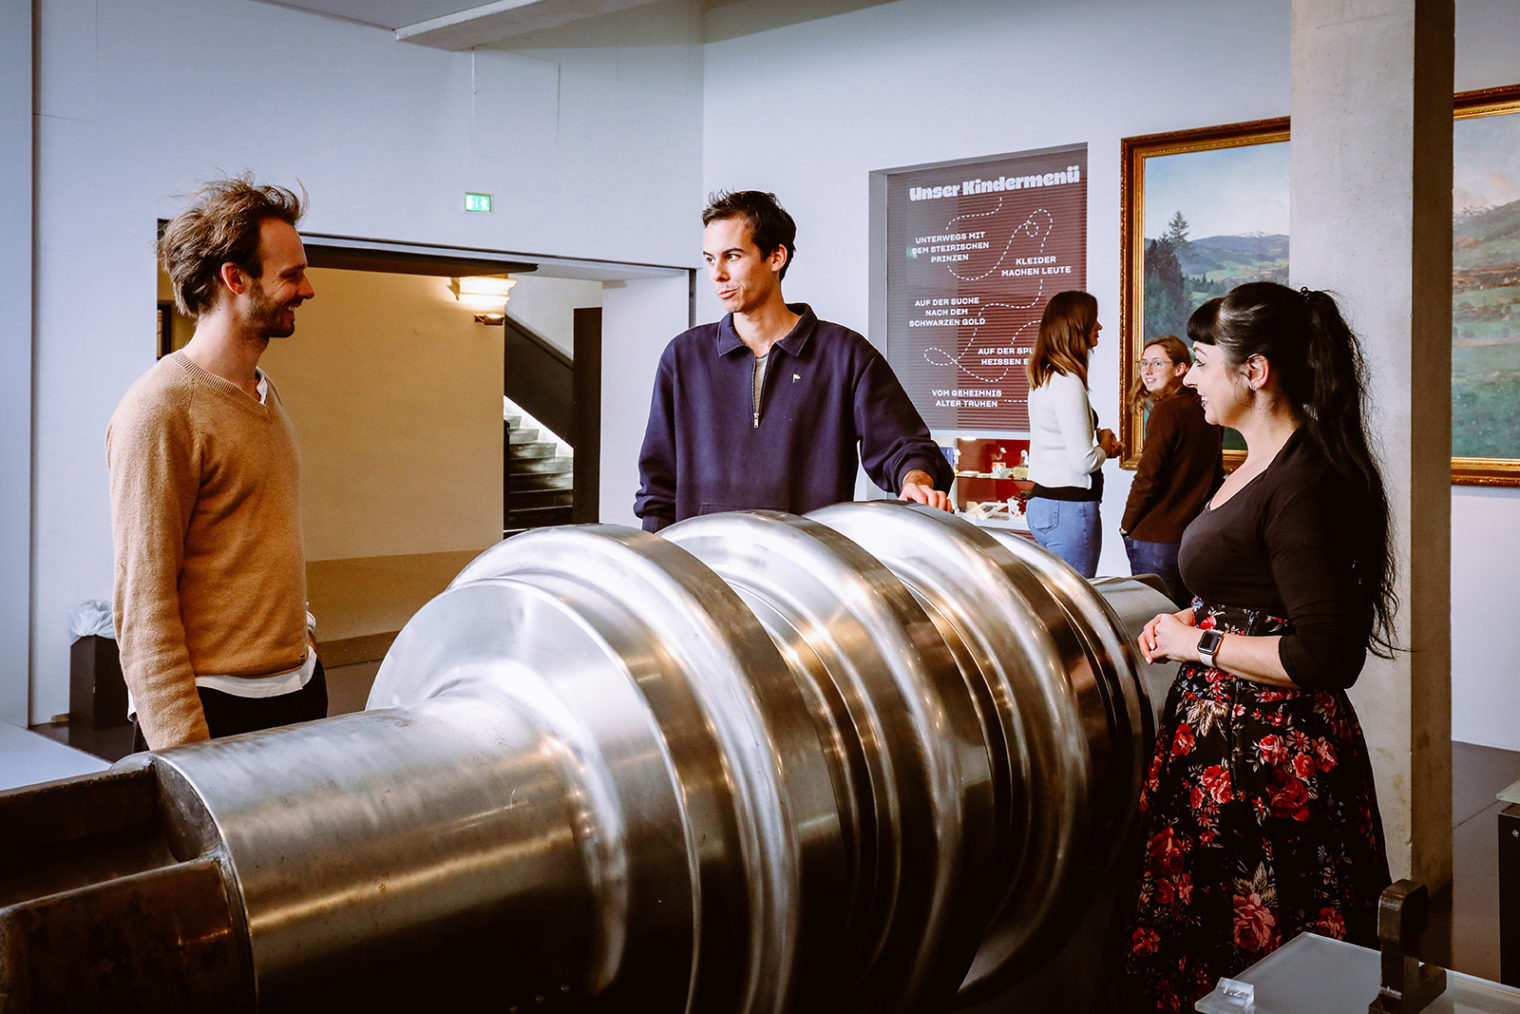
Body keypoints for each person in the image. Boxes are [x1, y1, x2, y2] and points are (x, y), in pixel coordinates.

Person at [1114, 282, 1395, 1011]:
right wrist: (1186, 627)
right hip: (1226, 754)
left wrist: (1198, 642)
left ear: (1255, 372)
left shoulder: (1306, 481)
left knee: (1269, 967)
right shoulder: (1259, 461)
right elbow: (1252, 596)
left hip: (1269, 770)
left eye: (1203, 362)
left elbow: (1326, 656)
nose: (1192, 377)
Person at [107, 176, 325, 751]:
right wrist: (184, 753)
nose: (307, 289)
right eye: (291, 274)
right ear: (235, 278)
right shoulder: (159, 410)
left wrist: (301, 637)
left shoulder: (263, 393)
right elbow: (142, 604)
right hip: (215, 713)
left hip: (296, 692)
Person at [635, 190, 953, 530]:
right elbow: (658, 487)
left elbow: (903, 446)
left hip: (806, 570)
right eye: (711, 259)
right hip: (704, 568)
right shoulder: (684, 357)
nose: (717, 274)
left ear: (776, 257)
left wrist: (915, 480)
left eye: (732, 256)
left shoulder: (844, 354)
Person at [1119, 333, 1222, 606]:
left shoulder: (1166, 411)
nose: (1147, 371)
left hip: (1154, 537)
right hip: (1190, 536)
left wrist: (1126, 525)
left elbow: (1148, 476)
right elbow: (1215, 476)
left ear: (1180, 369)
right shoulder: (1205, 409)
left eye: (1157, 363)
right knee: (1183, 617)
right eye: (1144, 363)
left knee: (1153, 619)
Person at [1024, 290, 1123, 577]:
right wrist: (1105, 445)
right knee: (1077, 607)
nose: (1100, 327)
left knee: (1059, 603)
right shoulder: (1068, 382)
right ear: (1077, 326)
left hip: (1044, 505)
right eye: (1094, 320)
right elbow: (1084, 462)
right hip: (1068, 510)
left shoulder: (1044, 377)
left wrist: (1097, 437)